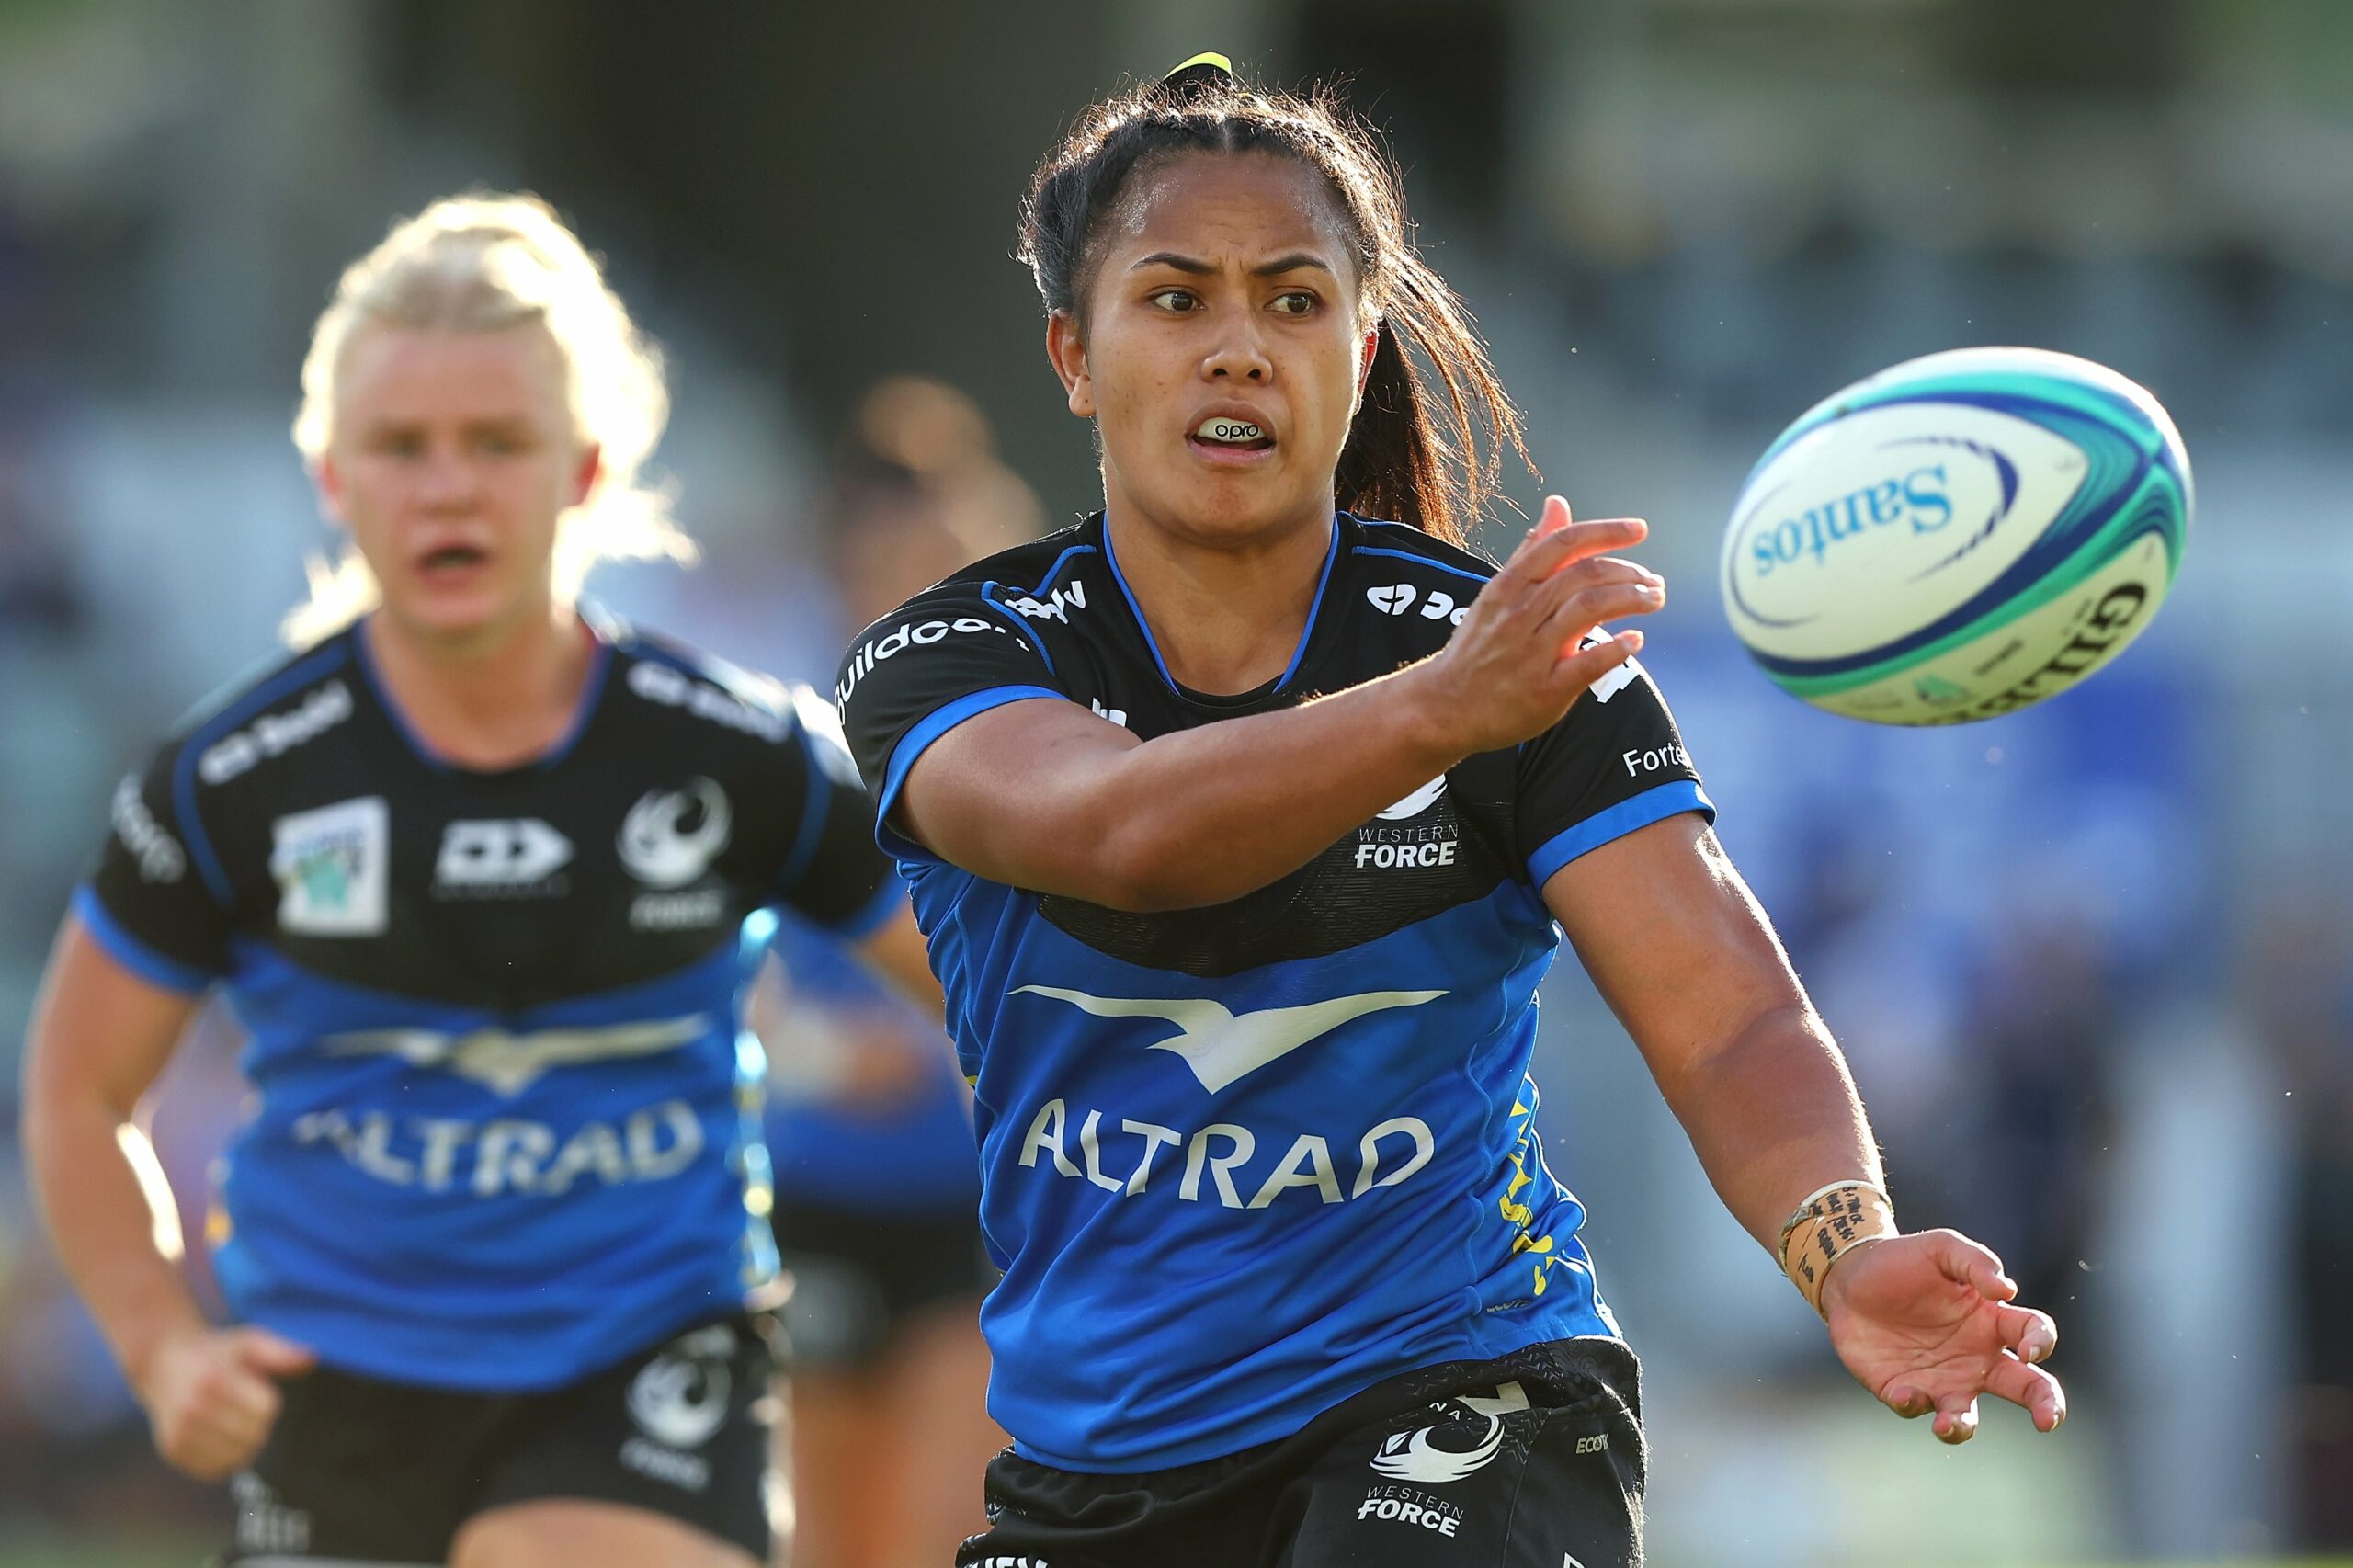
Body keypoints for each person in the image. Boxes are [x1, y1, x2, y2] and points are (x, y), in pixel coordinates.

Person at [833, 57, 2067, 1568]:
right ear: (1071, 353)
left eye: (1295, 302)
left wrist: (1848, 1243)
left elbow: (1728, 1014)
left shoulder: (1510, 664)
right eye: (1176, 299)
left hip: (1466, 1385)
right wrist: (1436, 711)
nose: (1238, 350)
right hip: (1100, 1464)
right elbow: (1123, 837)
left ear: (1363, 350)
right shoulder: (957, 652)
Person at [20, 193, 936, 1568]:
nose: (447, 485)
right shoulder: (235, 778)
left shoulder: (742, 752)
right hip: (329, 1390)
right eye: (401, 447)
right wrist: (158, 1349)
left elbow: (1005, 986)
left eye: (496, 444)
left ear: (586, 467)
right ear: (333, 477)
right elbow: (77, 1087)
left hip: (644, 1368)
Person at [752, 379, 1022, 1568]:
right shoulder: (787, 752)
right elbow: (716, 956)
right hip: (809, 1184)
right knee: (823, 1538)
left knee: (939, 1527)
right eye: (899, 563)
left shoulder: (1033, 747)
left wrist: (927, 1052)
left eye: (949, 562)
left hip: (973, 1193)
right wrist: (815, 1055)